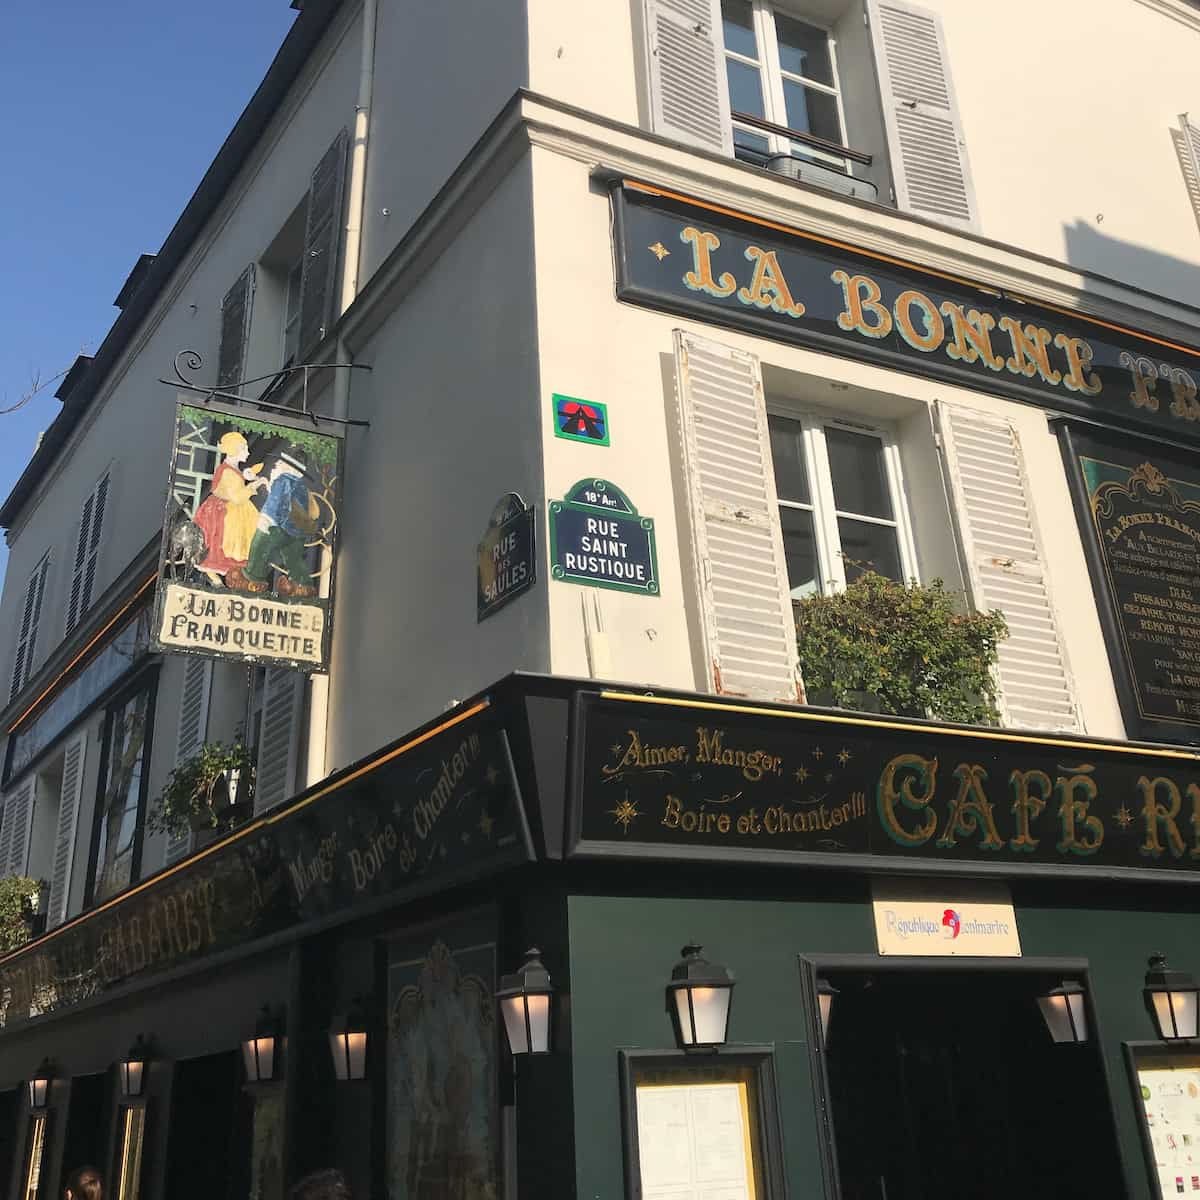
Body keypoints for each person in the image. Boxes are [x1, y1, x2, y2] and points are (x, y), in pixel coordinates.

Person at [193, 430, 266, 585]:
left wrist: (249, 478)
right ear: (234, 450)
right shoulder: (227, 472)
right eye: (244, 449)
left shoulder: (232, 469)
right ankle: (216, 576)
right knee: (227, 544)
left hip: (230, 507)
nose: (247, 452)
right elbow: (237, 497)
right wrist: (256, 485)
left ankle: (225, 578)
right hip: (226, 511)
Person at [241, 451, 318, 597]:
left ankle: (252, 579)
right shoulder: (300, 486)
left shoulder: (282, 480)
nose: (276, 465)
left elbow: (277, 504)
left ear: (289, 468)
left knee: (259, 547)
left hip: (277, 527)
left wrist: (268, 523)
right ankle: (303, 584)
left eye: (281, 463)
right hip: (296, 533)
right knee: (293, 559)